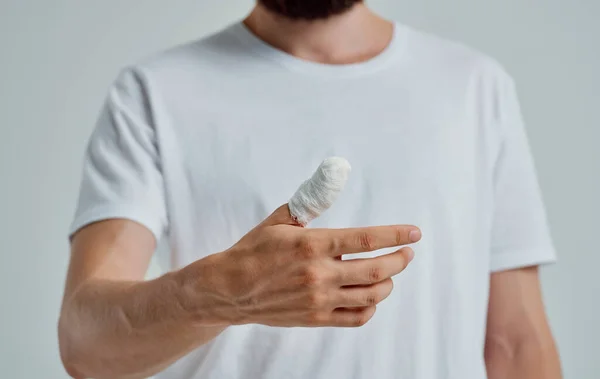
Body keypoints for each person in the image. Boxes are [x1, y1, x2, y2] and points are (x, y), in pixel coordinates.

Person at [58, 1, 562, 378]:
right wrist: (223, 294)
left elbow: (515, 342)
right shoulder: (153, 93)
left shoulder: (474, 87)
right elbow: (86, 343)